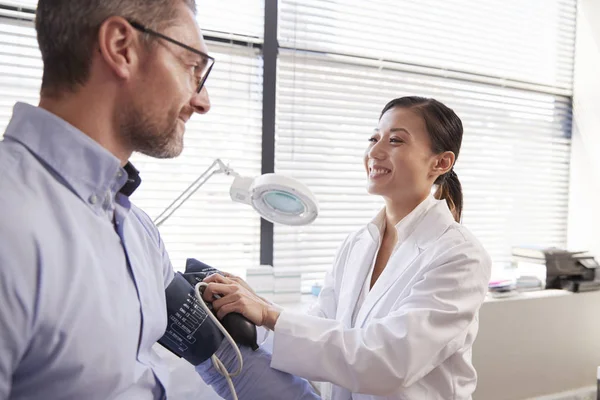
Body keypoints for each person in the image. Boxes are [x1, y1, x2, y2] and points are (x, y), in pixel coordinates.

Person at [0, 1, 317, 399]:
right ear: (121, 47)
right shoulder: (10, 222)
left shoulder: (138, 233)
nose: (203, 101)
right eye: (191, 67)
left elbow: (227, 360)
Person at [199, 96, 493, 400]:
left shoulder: (460, 255)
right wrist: (244, 313)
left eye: (395, 140)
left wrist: (269, 314)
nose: (375, 152)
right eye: (374, 138)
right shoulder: (357, 244)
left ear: (440, 162)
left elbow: (387, 363)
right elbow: (320, 329)